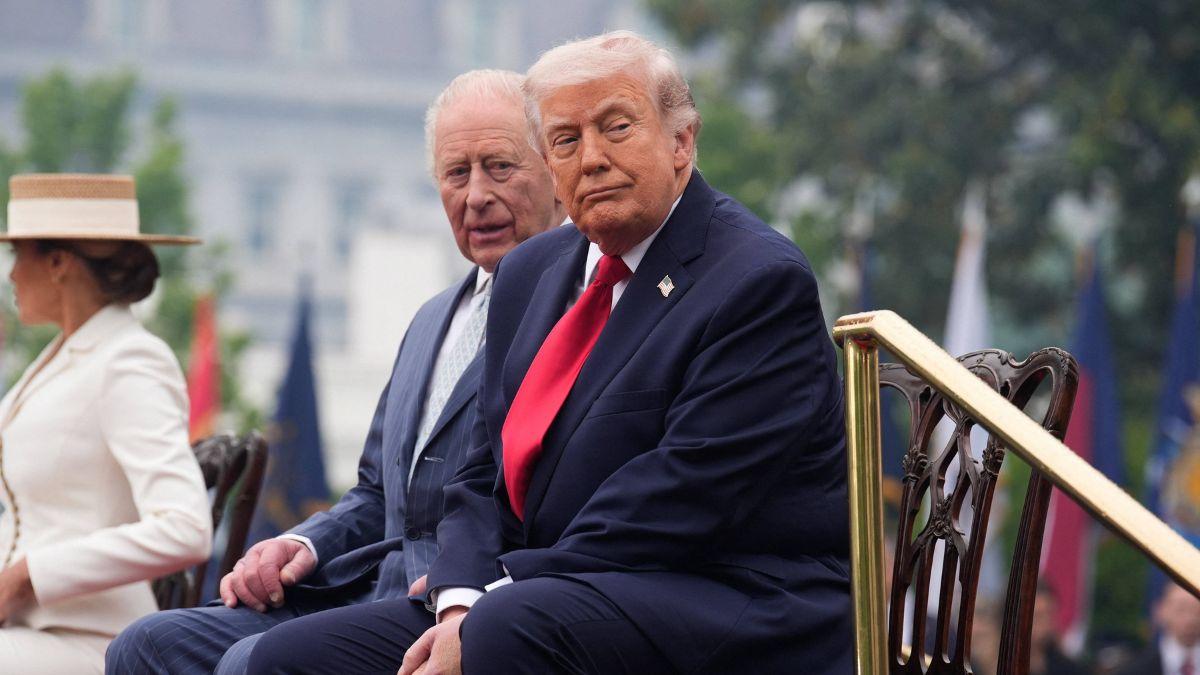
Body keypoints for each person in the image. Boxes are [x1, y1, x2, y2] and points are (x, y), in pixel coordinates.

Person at [243, 30, 853, 674]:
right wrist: (457, 598)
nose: (591, 158)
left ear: (682, 141)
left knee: (507, 631)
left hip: (724, 594)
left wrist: (498, 590)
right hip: (541, 590)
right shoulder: (530, 271)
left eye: (616, 127)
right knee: (291, 658)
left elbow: (683, 497)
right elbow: (481, 473)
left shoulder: (755, 279)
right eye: (565, 139)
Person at [107, 68, 565, 674]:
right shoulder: (432, 318)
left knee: (256, 660)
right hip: (358, 586)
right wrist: (300, 544)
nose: (476, 194)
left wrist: (471, 586)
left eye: (499, 167)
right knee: (145, 646)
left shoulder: (577, 309)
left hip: (462, 603)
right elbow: (377, 492)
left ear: (557, 174)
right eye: (456, 173)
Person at [0, 173, 211, 673]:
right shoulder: (61, 357)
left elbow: (185, 529)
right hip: (26, 633)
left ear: (57, 263)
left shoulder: (129, 360)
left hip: (91, 641)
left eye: (17, 257)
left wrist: (30, 574)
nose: (9, 276)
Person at [1116, 581, 1200, 675]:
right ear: (1160, 610)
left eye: (1197, 611)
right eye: (1181, 610)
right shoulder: (1134, 669)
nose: (1191, 619)